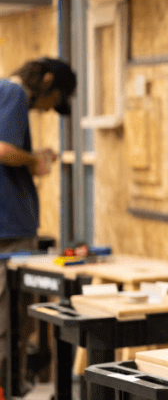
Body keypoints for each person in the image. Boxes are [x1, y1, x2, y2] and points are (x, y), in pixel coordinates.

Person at [1, 57, 76, 397]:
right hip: (10, 229)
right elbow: (3, 150)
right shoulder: (15, 93)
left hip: (10, 225)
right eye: (53, 100)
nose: (48, 110)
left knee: (14, 319)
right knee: (11, 320)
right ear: (47, 80)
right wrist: (36, 160)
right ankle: (8, 387)